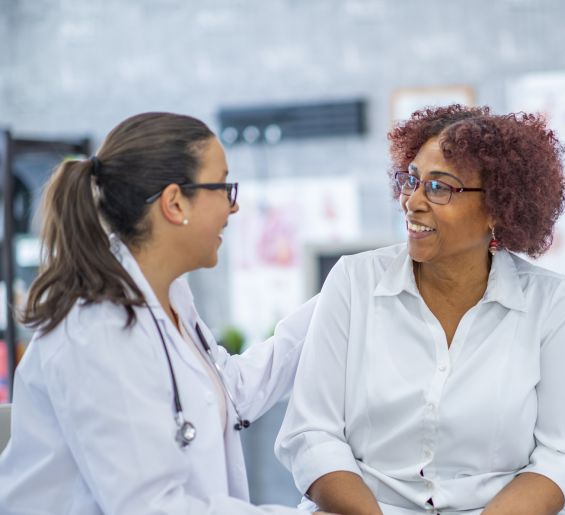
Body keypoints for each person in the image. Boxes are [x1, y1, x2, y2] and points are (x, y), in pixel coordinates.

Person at [276, 105, 565, 515]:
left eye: (439, 187)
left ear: (499, 208)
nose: (412, 201)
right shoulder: (354, 281)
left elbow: (564, 456)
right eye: (411, 180)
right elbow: (312, 435)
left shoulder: (550, 303)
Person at [0, 112, 332, 514]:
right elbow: (154, 507)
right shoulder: (98, 329)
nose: (235, 205)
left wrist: (339, 295)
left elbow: (230, 391)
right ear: (175, 202)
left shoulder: (169, 296)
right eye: (223, 186)